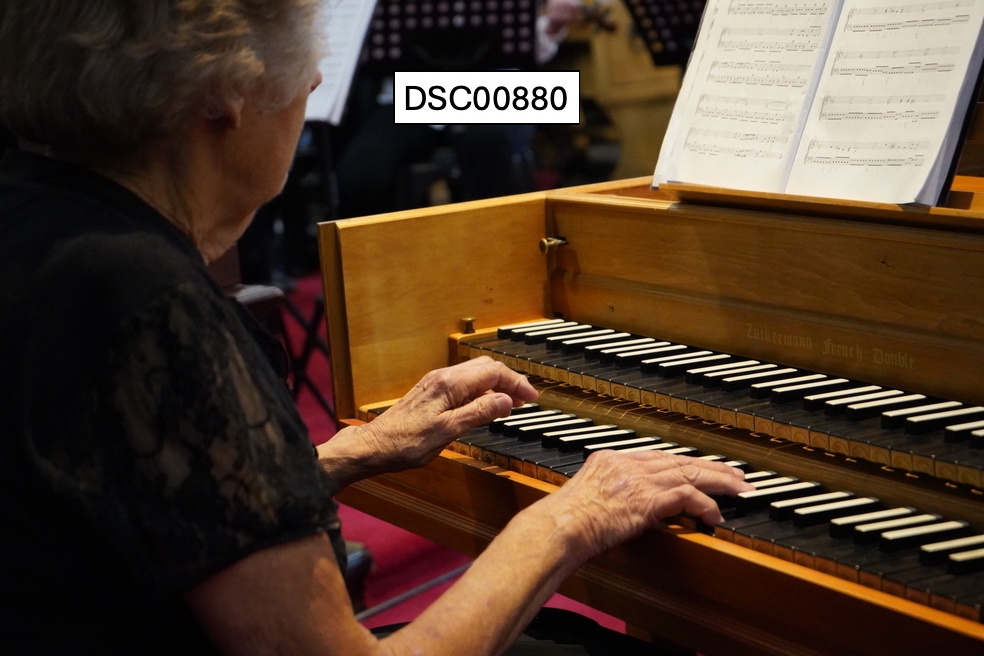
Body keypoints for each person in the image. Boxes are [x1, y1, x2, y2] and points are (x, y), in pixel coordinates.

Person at [0, 2, 752, 655]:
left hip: (509, 88)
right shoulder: (149, 300)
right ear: (226, 88)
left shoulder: (39, 216)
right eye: (300, 56)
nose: (313, 79)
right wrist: (571, 518)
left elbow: (122, 498)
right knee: (367, 167)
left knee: (494, 137)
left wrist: (345, 452)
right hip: (427, 91)